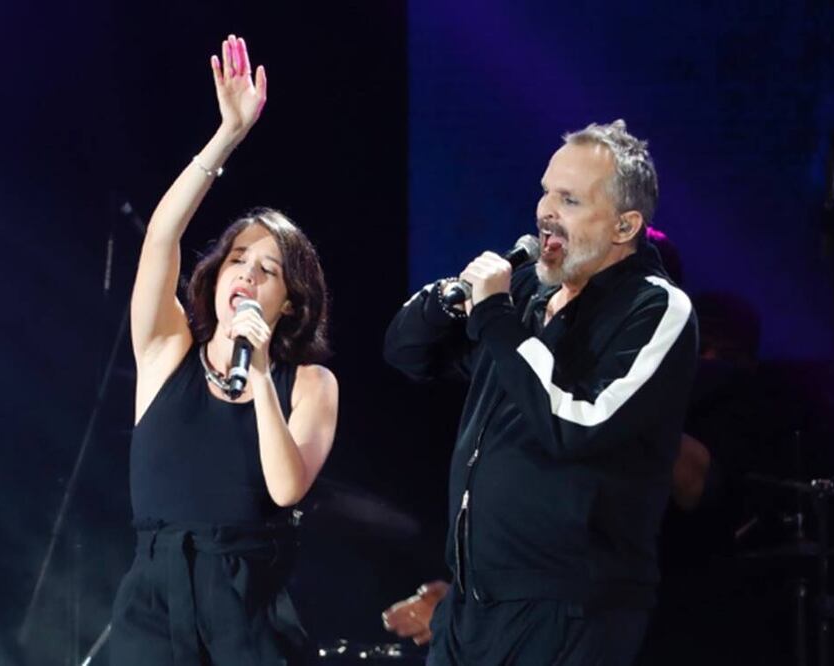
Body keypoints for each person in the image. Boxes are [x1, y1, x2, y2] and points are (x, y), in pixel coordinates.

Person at [383, 120, 698, 665]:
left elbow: (578, 425)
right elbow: (407, 353)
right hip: (472, 604)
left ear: (625, 225)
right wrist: (450, 298)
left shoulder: (654, 308)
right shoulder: (526, 290)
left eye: (570, 199)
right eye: (546, 191)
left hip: (571, 609)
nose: (546, 210)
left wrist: (497, 319)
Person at [109, 35, 339, 666]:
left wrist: (260, 373)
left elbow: (287, 488)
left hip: (246, 609)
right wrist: (227, 136)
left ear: (289, 301)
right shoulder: (166, 351)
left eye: (269, 270)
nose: (248, 275)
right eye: (239, 259)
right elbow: (162, 236)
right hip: (151, 606)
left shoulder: (309, 383)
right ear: (216, 274)